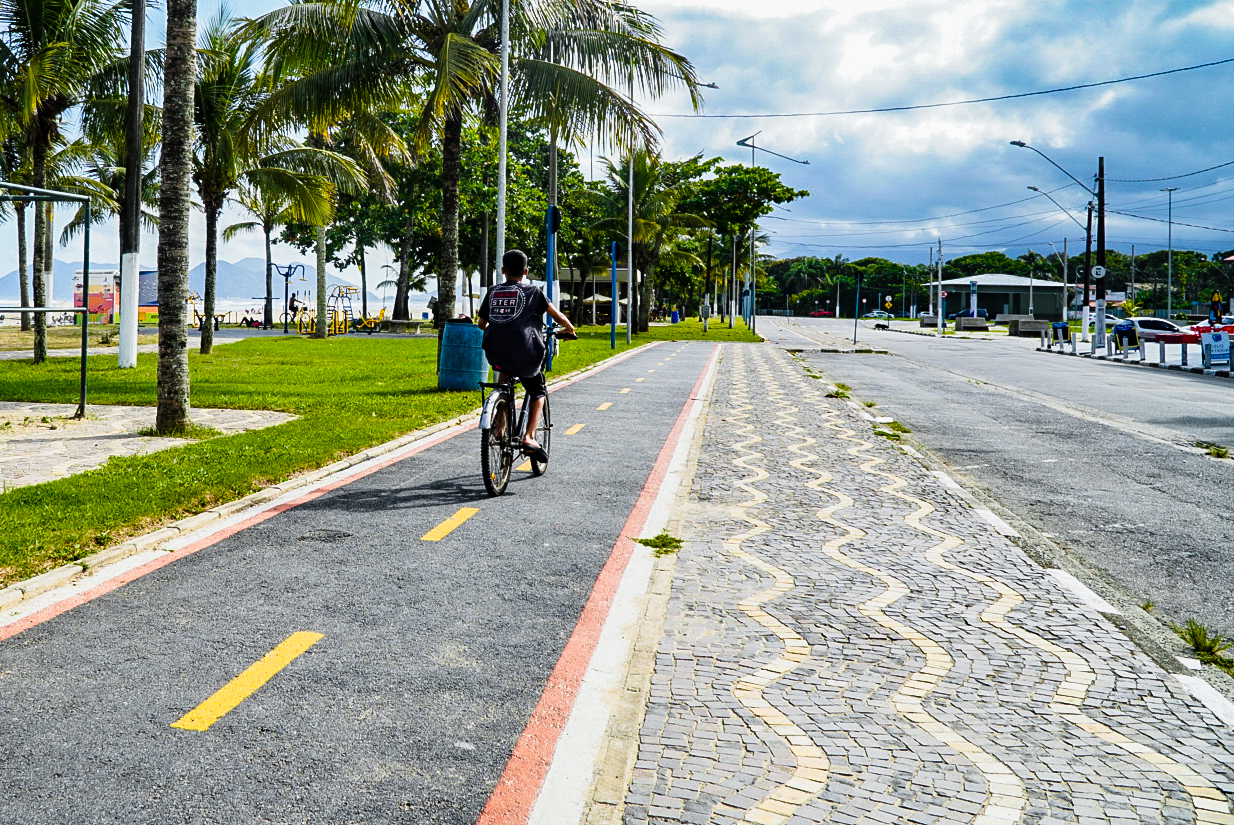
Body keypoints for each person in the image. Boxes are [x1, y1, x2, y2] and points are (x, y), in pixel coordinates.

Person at [476, 249, 576, 463]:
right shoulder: (533, 292)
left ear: (502, 271)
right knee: (537, 391)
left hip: (494, 350)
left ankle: (500, 425)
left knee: (503, 375)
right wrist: (569, 328)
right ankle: (529, 437)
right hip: (526, 353)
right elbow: (556, 316)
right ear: (526, 271)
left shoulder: (492, 292)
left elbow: (482, 324)